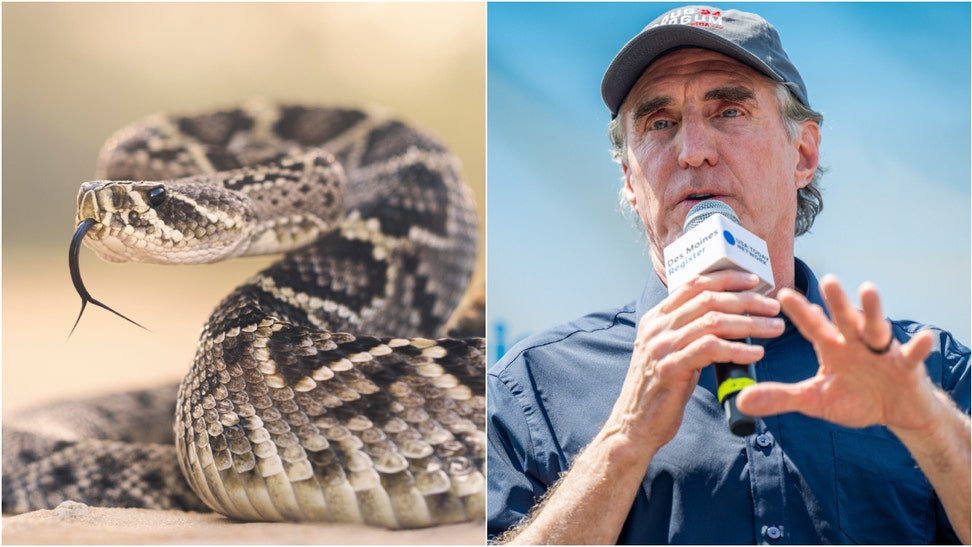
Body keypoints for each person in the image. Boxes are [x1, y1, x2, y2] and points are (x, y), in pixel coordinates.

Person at [487, 5, 970, 544]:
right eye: (660, 123)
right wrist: (623, 440)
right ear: (629, 176)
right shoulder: (533, 386)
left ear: (803, 153)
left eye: (729, 112)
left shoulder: (932, 375)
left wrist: (933, 433)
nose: (693, 152)